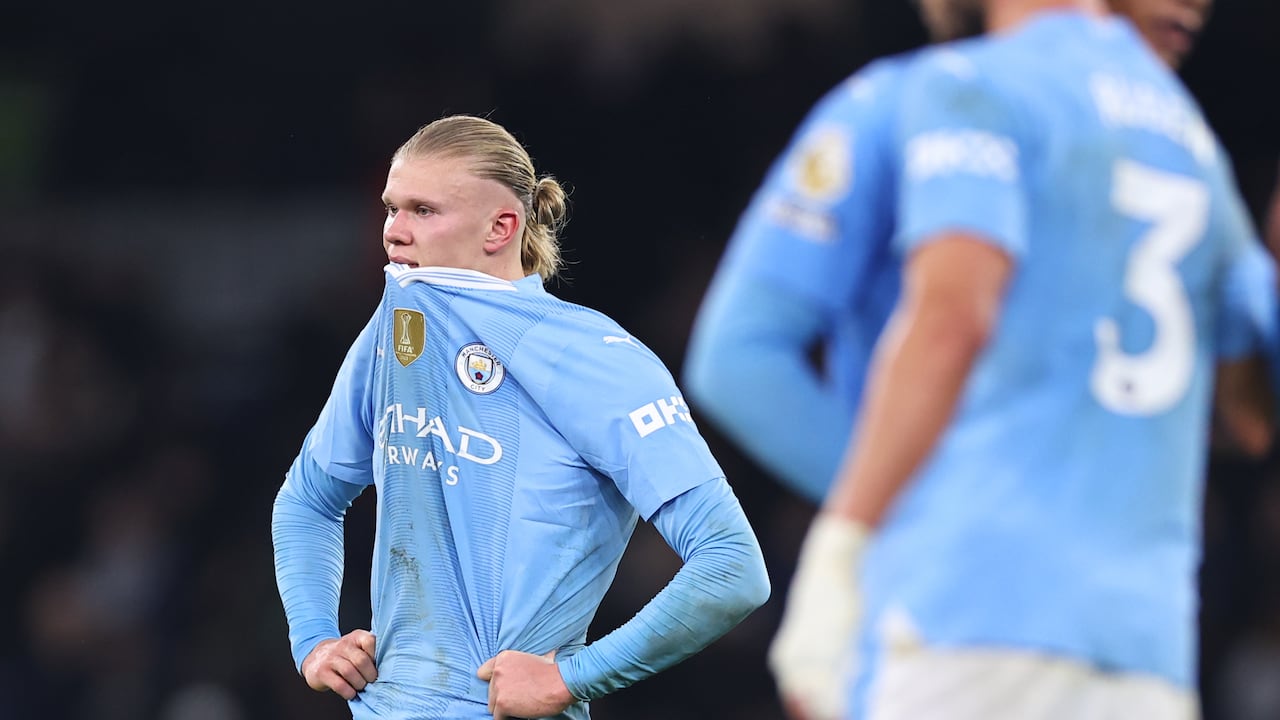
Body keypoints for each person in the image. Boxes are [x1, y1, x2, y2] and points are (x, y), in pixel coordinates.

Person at [771, 0, 1278, 718]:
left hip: (973, 624)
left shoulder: (977, 83)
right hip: (1147, 654)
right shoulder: (1190, 137)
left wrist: (843, 546)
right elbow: (1248, 413)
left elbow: (952, 317)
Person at [271, 115, 770, 720]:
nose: (394, 233)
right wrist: (314, 641)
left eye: (423, 211)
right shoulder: (395, 336)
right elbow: (307, 499)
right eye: (390, 208)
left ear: (501, 227)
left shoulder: (594, 356)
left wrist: (573, 678)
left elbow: (732, 565)